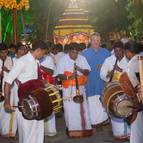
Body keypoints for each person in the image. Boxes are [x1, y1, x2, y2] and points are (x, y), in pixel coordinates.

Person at [3, 40, 47, 143]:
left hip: (37, 100)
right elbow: (8, 81)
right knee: (27, 130)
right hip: (25, 101)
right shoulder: (22, 61)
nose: (43, 55)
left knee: (38, 129)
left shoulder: (36, 62)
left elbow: (35, 80)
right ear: (38, 50)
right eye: (43, 53)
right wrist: (7, 101)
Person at [57, 42, 92, 137]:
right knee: (70, 110)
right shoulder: (62, 60)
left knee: (83, 109)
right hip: (68, 89)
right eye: (73, 52)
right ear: (68, 51)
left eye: (77, 52)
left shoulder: (82, 58)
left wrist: (79, 69)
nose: (75, 55)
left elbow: (87, 71)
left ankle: (85, 130)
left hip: (80, 88)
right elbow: (59, 75)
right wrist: (69, 77)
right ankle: (72, 131)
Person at [100, 41, 130, 140]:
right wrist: (108, 75)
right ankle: (118, 134)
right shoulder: (109, 60)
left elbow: (132, 73)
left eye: (120, 51)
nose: (118, 53)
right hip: (113, 91)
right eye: (116, 51)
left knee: (127, 108)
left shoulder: (128, 59)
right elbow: (102, 74)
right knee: (115, 110)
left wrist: (120, 70)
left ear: (123, 50)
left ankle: (129, 133)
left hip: (125, 89)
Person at [82, 32, 110, 127]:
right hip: (89, 83)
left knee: (101, 101)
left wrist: (103, 66)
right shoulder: (84, 53)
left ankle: (104, 120)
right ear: (90, 41)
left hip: (102, 83)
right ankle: (93, 122)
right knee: (92, 102)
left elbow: (112, 65)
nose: (96, 42)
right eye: (94, 40)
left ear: (100, 41)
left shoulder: (106, 52)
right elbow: (81, 68)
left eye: (98, 40)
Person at [124, 41, 143, 143]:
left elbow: (131, 85)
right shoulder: (140, 58)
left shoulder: (132, 64)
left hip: (138, 100)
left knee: (137, 128)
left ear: (127, 51)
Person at [39, 46, 57, 137]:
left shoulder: (49, 59)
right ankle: (41, 131)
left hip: (48, 85)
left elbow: (51, 72)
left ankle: (50, 131)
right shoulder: (34, 59)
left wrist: (40, 66)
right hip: (38, 87)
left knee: (49, 106)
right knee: (40, 107)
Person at [0, 43, 14, 137]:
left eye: (5, 52)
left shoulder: (9, 59)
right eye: (2, 52)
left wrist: (6, 70)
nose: (4, 54)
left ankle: (5, 131)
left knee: (4, 110)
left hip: (7, 88)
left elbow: (13, 73)